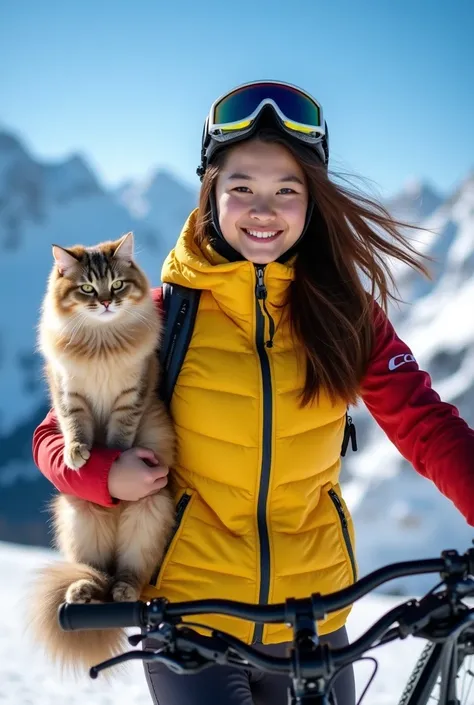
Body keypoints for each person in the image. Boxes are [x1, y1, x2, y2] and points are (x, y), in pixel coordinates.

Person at [33, 80, 474, 705]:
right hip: (194, 623)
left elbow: (425, 423)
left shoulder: (347, 316)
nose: (262, 209)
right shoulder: (165, 317)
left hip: (318, 621)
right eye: (241, 187)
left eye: (286, 190)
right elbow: (53, 434)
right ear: (211, 194)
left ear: (311, 203)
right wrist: (106, 476)